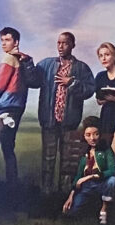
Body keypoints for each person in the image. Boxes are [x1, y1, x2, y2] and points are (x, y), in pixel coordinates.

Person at [25, 30, 96, 195]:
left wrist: (72, 82)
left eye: (64, 43)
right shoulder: (46, 65)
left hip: (69, 123)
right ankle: (46, 194)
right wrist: (28, 64)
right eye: (58, 43)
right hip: (49, 121)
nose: (61, 46)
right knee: (48, 160)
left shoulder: (81, 68)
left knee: (68, 162)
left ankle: (65, 195)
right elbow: (32, 81)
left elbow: (89, 90)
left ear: (72, 45)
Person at [0, 26, 34, 185]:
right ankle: (11, 186)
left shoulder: (8, 58)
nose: (3, 44)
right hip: (17, 107)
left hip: (3, 106)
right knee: (8, 148)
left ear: (16, 42)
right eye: (2, 40)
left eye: (7, 40)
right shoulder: (23, 59)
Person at [62, 117, 115, 225]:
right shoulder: (85, 153)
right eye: (88, 135)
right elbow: (79, 176)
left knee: (112, 180)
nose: (92, 138)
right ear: (84, 136)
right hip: (87, 187)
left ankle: (104, 209)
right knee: (71, 212)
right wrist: (71, 196)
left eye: (95, 134)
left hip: (102, 184)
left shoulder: (106, 150)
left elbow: (112, 170)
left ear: (100, 134)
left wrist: (90, 176)